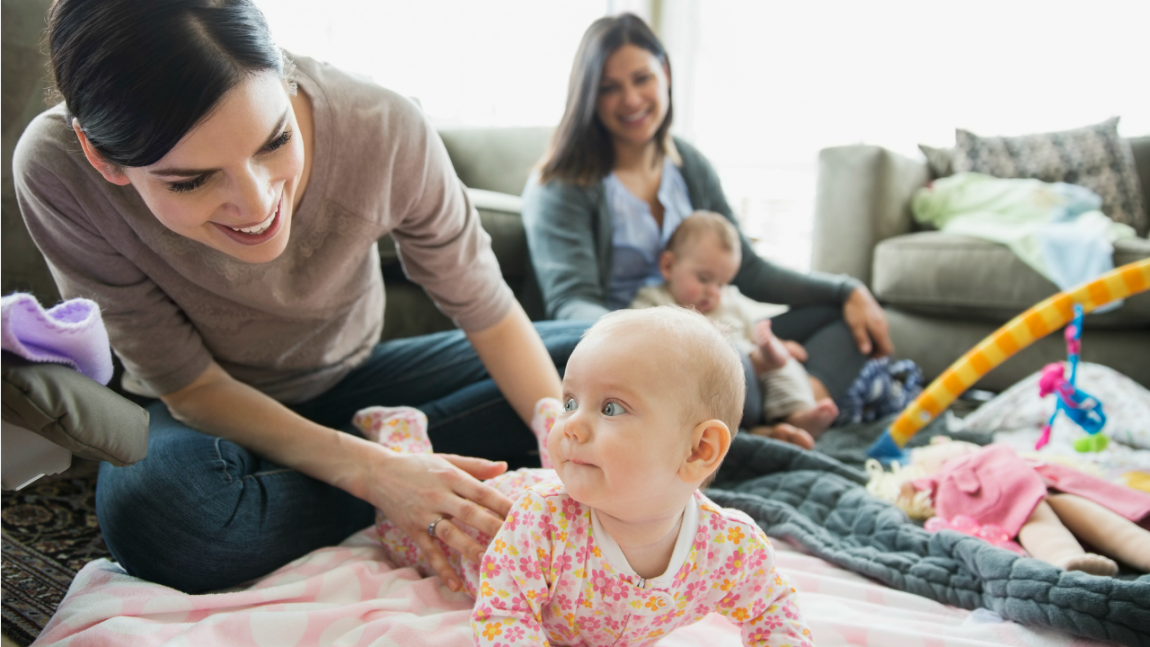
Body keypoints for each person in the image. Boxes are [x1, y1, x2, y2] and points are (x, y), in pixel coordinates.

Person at [13, 0, 587, 594]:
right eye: (191, 179)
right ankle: (398, 471)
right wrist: (377, 474)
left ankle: (370, 469)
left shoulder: (382, 125)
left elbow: (488, 312)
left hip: (356, 378)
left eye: (275, 139)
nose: (259, 206)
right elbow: (188, 385)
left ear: (283, 75)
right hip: (204, 411)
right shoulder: (55, 171)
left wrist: (571, 463)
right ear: (101, 158)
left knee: (604, 362)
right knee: (166, 518)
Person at [521, 13, 894, 449]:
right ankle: (754, 424)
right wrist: (667, 338)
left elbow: (748, 270)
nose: (631, 99)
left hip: (714, 333)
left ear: (665, 73)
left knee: (842, 322)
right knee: (727, 370)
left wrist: (846, 290)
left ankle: (784, 413)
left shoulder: (689, 165)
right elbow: (570, 303)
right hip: (629, 352)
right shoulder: (563, 184)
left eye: (641, 78)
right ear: (589, 95)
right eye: (609, 87)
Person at [362, 307, 814, 647]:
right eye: (569, 402)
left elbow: (773, 611)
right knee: (392, 529)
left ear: (699, 450)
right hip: (483, 516)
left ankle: (544, 423)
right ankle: (400, 433)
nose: (573, 421)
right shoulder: (540, 524)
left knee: (572, 452)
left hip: (571, 484)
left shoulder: (729, 550)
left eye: (611, 407)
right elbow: (505, 614)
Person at [631, 212, 839, 437]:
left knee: (784, 365)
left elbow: (754, 335)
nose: (713, 292)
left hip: (752, 377)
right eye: (704, 278)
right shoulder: (654, 301)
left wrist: (780, 345)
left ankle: (797, 415)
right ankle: (759, 416)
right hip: (710, 378)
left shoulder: (730, 301)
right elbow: (638, 338)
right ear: (668, 266)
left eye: (721, 283)